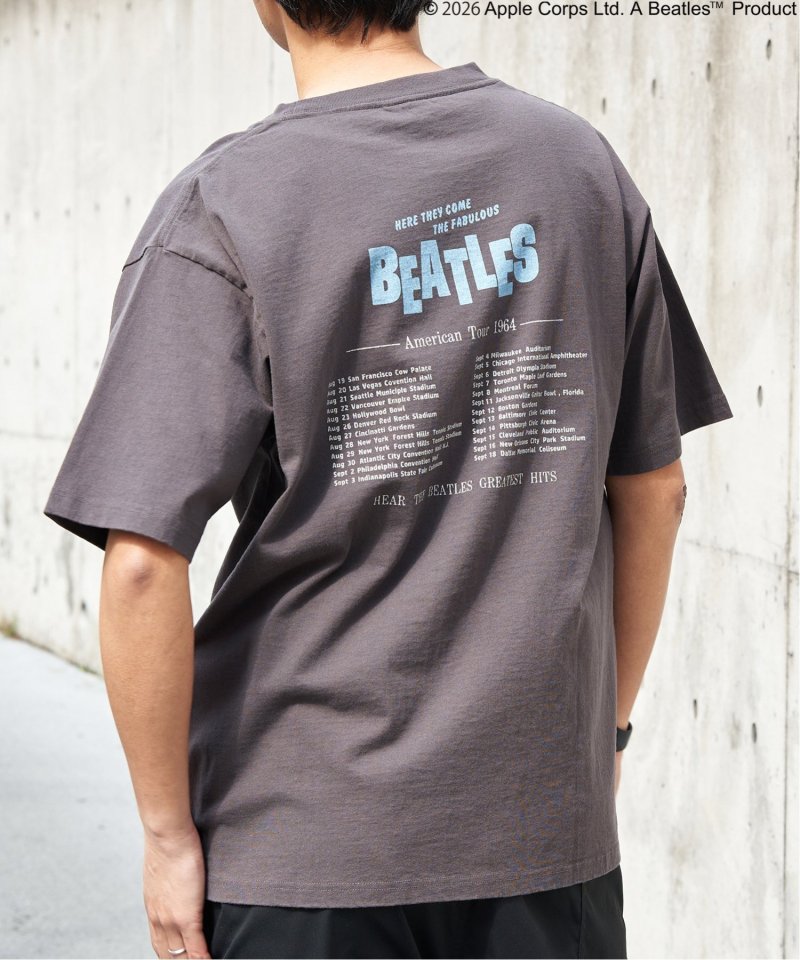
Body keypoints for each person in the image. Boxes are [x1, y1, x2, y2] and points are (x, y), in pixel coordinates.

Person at [42, 2, 734, 957]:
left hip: (304, 846)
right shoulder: (578, 167)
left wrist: (167, 838)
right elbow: (657, 490)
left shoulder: (226, 205)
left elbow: (141, 564)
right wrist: (603, 732)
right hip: (542, 829)